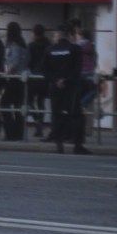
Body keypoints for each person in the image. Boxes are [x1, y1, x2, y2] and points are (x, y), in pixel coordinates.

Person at [43, 24, 87, 154]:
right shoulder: (75, 49)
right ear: (69, 34)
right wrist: (66, 80)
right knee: (76, 115)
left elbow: (44, 70)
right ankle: (77, 145)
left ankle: (59, 145)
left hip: (55, 88)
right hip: (71, 87)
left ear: (58, 34)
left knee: (57, 115)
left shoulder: (49, 50)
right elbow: (77, 69)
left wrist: (56, 80)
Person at [1, 22, 29, 142]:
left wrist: (7, 72)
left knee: (4, 104)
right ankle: (18, 133)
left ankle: (10, 132)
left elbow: (15, 61)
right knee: (18, 107)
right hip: (21, 80)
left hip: (13, 79)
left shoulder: (14, 45)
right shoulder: (23, 44)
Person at [26, 24, 51, 139]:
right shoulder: (49, 45)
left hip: (34, 77)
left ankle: (37, 122)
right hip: (45, 77)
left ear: (34, 33)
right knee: (41, 102)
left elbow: (28, 61)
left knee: (28, 101)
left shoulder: (31, 46)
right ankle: (39, 124)